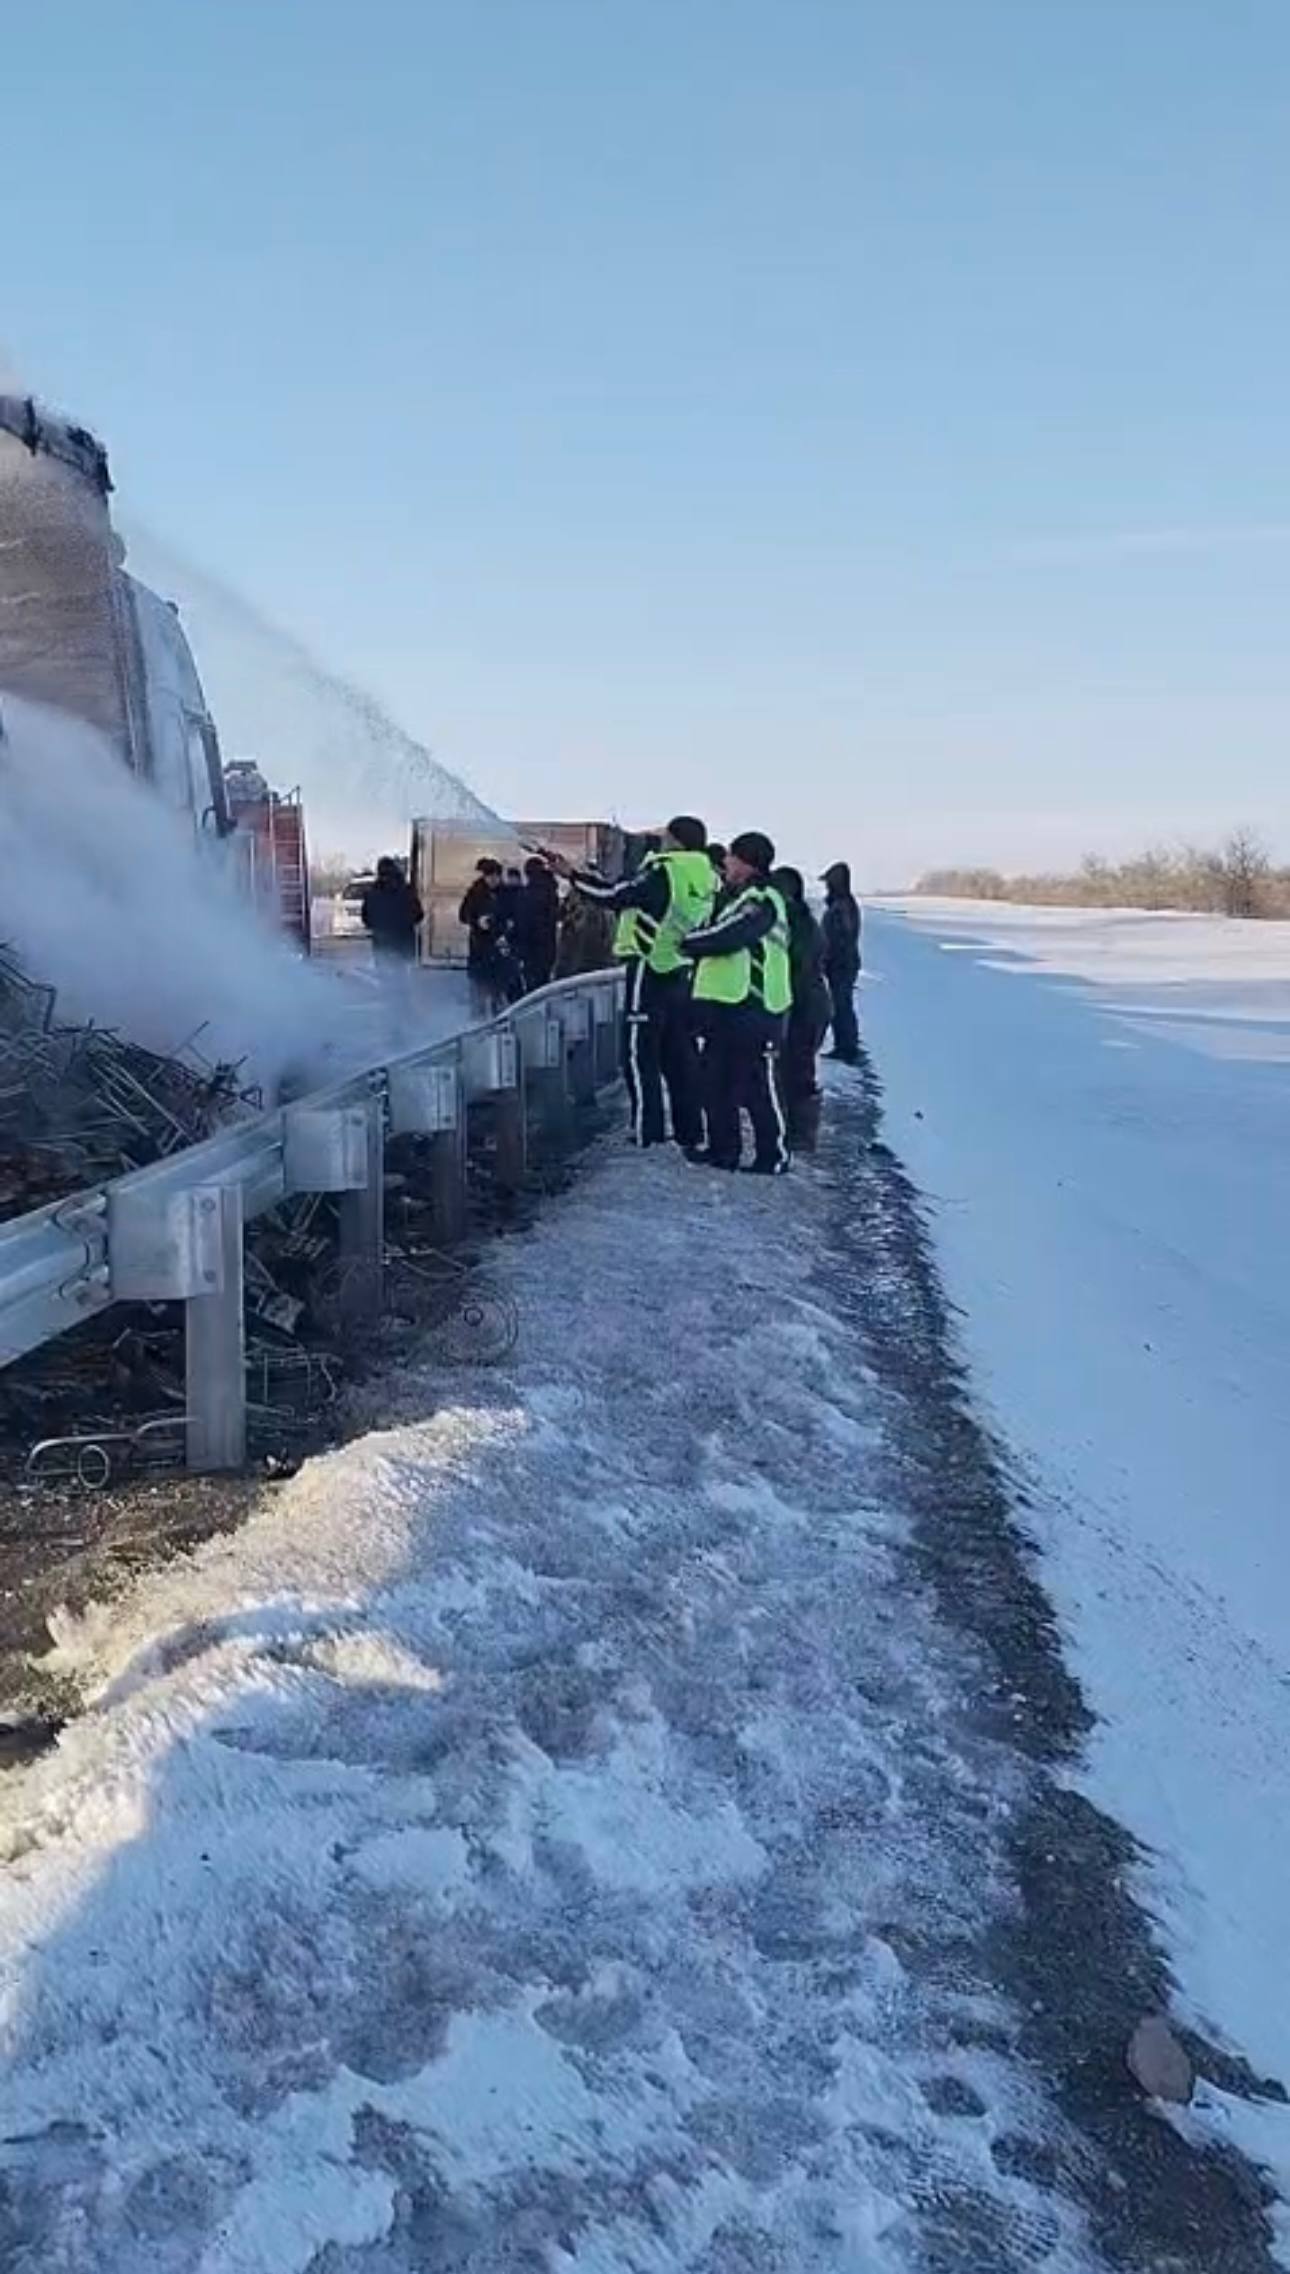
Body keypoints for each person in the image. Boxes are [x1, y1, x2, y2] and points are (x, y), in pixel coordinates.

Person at [551, 818, 715, 1149]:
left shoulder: (665, 871)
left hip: (649, 966)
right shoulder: (705, 875)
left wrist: (571, 875)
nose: (662, 843)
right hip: (681, 970)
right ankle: (690, 1131)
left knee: (640, 1055)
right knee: (679, 1058)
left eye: (666, 837)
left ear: (677, 841)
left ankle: (647, 1131)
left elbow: (615, 896)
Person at [682, 832, 792, 1176]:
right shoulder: (739, 898)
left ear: (746, 862)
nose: (725, 862)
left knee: (758, 1084)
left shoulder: (762, 899)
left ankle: (773, 1155)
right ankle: (722, 1151)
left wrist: (688, 942)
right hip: (729, 1007)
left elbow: (729, 935)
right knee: (717, 1081)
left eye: (730, 857)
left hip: (757, 1008)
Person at [772, 865, 830, 1151]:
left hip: (803, 1004)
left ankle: (800, 1136)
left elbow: (797, 969)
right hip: (811, 1001)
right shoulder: (805, 921)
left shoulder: (795, 925)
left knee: (797, 1068)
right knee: (796, 1067)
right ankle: (798, 1133)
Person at [458, 857, 515, 1015]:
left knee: (499, 991)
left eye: (495, 876)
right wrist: (477, 921)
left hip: (499, 947)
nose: (493, 880)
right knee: (478, 990)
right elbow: (463, 915)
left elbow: (512, 914)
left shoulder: (506, 893)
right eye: (489, 876)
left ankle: (498, 1021)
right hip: (480, 947)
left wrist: (505, 925)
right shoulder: (475, 892)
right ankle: (478, 1023)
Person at [821, 859, 862, 1064]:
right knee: (841, 1005)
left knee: (841, 1006)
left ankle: (846, 1048)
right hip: (842, 963)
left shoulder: (842, 906)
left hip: (842, 964)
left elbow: (840, 938)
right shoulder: (842, 904)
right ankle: (845, 1045)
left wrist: (827, 956)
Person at [360, 856, 423, 961]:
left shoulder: (372, 893)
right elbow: (418, 915)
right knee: (402, 972)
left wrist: (379, 927)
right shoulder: (406, 891)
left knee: (383, 974)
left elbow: (366, 918)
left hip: (382, 944)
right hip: (404, 943)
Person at [514, 855, 560, 993]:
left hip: (530, 948)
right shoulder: (551, 891)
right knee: (543, 986)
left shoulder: (526, 894)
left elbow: (522, 923)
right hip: (548, 947)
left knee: (531, 988)